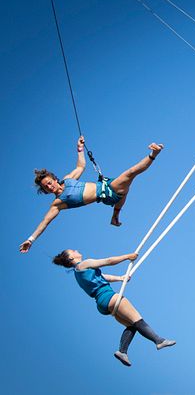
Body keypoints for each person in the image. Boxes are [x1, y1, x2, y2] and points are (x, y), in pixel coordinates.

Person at [19, 136, 164, 253]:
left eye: (49, 182)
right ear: (45, 191)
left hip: (107, 184)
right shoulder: (58, 203)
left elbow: (80, 166)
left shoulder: (68, 179)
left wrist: (80, 149)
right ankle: (154, 153)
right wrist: (30, 239)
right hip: (107, 194)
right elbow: (44, 222)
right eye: (46, 187)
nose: (50, 187)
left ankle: (115, 216)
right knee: (130, 174)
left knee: (125, 187)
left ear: (55, 179)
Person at [52, 249, 175, 367]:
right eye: (73, 251)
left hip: (102, 304)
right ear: (71, 257)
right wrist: (127, 256)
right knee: (138, 320)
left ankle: (122, 351)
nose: (76, 250)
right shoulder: (84, 263)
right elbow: (108, 261)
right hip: (109, 296)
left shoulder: (78, 273)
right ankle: (159, 341)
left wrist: (120, 278)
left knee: (132, 325)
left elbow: (103, 277)